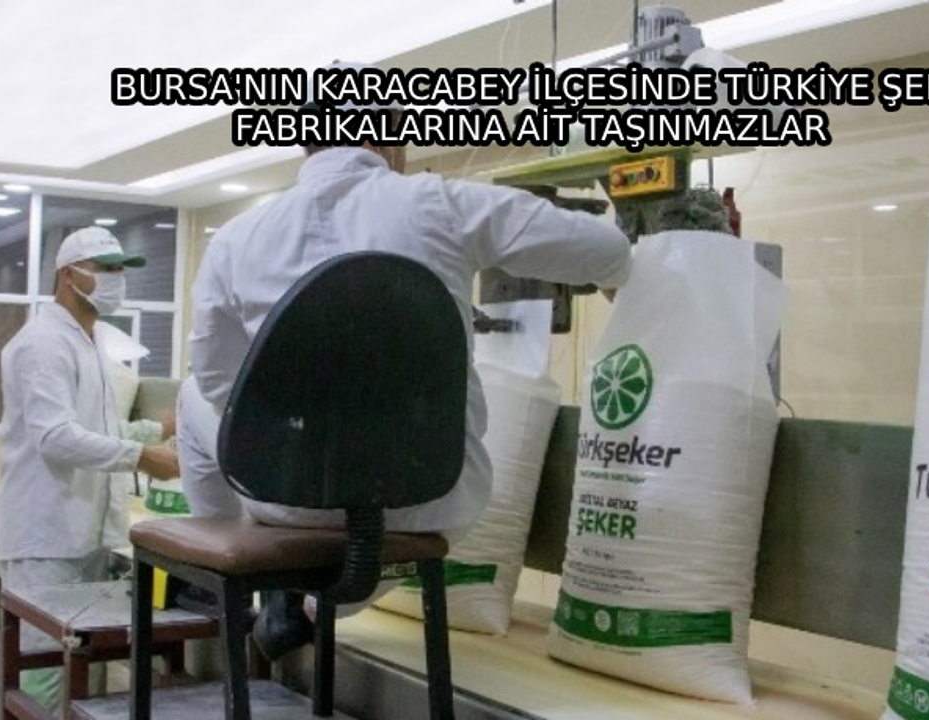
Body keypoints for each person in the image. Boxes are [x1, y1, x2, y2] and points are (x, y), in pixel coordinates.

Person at [182, 60, 633, 660]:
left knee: (192, 394)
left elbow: (218, 378)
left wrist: (294, 442)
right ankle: (312, 606)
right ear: (392, 136)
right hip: (432, 499)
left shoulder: (239, 237)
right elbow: (606, 249)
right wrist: (616, 275)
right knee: (390, 533)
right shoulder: (441, 202)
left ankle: (246, 573)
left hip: (281, 501)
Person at [0, 226, 180, 711]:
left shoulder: (89, 341)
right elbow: (56, 437)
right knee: (47, 671)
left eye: (121, 270)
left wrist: (154, 430)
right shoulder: (43, 344)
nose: (116, 280)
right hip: (47, 536)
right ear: (68, 275)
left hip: (85, 534)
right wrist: (142, 457)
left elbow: (96, 426)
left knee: (82, 666)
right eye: (106, 269)